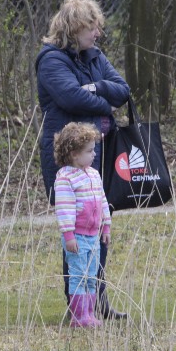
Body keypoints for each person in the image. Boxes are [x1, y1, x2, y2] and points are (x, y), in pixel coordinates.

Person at [36, 0, 130, 320]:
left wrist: (96, 88)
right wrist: (104, 102)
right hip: (68, 159)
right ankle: (79, 304)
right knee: (76, 229)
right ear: (74, 28)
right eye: (92, 27)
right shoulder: (51, 60)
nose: (98, 33)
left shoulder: (95, 56)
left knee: (98, 222)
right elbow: (70, 98)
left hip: (98, 155)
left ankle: (98, 298)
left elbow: (122, 90)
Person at [53, 122, 111, 328]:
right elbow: (64, 209)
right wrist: (68, 236)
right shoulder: (65, 178)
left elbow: (102, 201)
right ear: (74, 154)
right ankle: (79, 316)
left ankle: (89, 314)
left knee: (91, 276)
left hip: (93, 236)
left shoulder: (93, 174)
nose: (94, 154)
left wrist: (106, 226)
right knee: (78, 275)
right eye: (89, 151)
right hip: (77, 237)